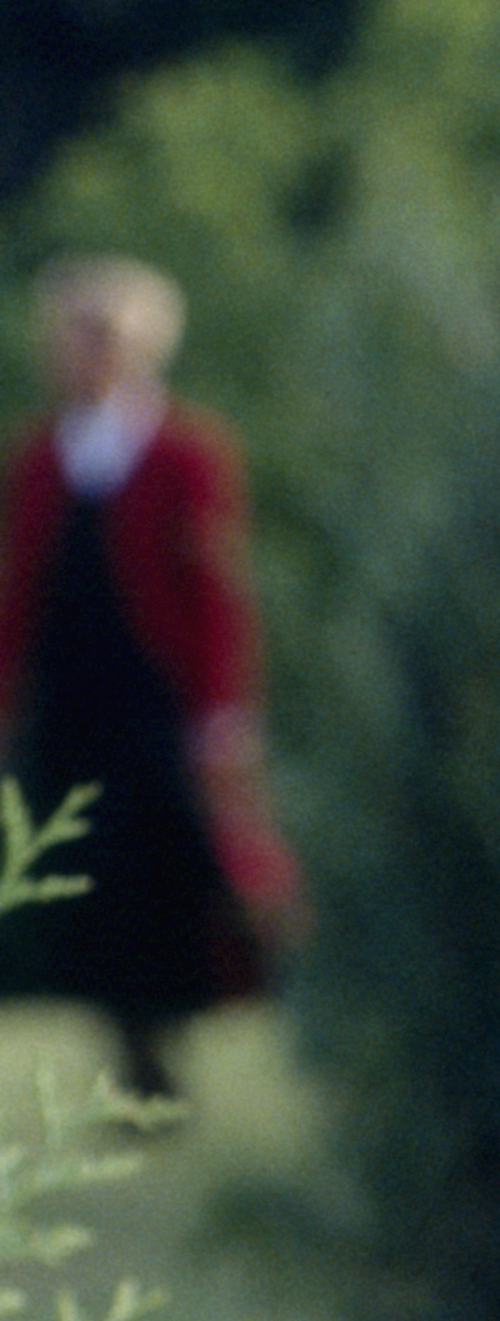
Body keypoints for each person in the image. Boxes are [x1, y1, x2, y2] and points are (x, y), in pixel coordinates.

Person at [1, 258, 295, 1099]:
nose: (81, 353)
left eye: (100, 336)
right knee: (84, 875)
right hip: (73, 705)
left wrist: (224, 708)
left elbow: (215, 591)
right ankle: (129, 1049)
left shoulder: (185, 452)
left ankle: (175, 1028)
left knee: (176, 867)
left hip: (155, 701)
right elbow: (20, 590)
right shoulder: (40, 459)